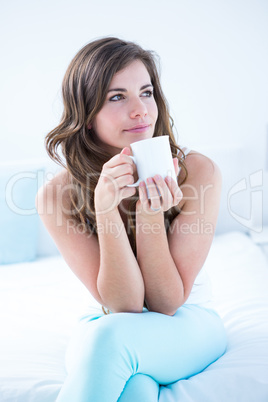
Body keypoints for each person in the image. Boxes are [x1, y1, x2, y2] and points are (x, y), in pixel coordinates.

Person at [36, 37, 227, 402]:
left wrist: (148, 212)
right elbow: (123, 305)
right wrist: (105, 208)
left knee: (111, 342)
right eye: (117, 97)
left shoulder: (197, 172)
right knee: (134, 387)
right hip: (104, 319)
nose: (141, 110)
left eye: (146, 92)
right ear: (86, 116)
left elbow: (166, 302)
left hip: (187, 320)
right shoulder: (55, 195)